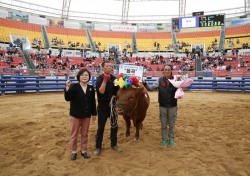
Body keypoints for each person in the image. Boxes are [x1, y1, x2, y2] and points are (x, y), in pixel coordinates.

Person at [64, 68, 97, 160]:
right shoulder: (74, 86)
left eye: (86, 75)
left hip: (87, 115)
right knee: (74, 134)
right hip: (75, 115)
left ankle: (83, 151)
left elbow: (93, 102)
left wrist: (94, 114)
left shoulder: (91, 88)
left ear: (89, 77)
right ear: (79, 76)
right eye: (82, 75)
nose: (84, 77)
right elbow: (68, 98)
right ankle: (74, 151)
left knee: (85, 134)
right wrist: (67, 87)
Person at [143, 64, 179, 147]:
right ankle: (164, 139)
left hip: (173, 105)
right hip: (162, 106)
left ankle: (171, 139)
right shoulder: (159, 80)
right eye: (165, 69)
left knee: (171, 124)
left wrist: (181, 86)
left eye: (168, 69)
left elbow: (181, 88)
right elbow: (151, 88)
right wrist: (145, 83)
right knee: (163, 124)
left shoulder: (176, 80)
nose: (167, 71)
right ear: (163, 71)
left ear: (171, 71)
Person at [93, 61, 122, 156]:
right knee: (100, 128)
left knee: (114, 126)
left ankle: (114, 144)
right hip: (102, 107)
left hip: (112, 107)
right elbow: (101, 91)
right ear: (102, 68)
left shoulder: (114, 79)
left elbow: (119, 92)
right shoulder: (99, 79)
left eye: (110, 66)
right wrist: (105, 81)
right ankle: (98, 147)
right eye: (107, 66)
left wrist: (123, 82)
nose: (109, 67)